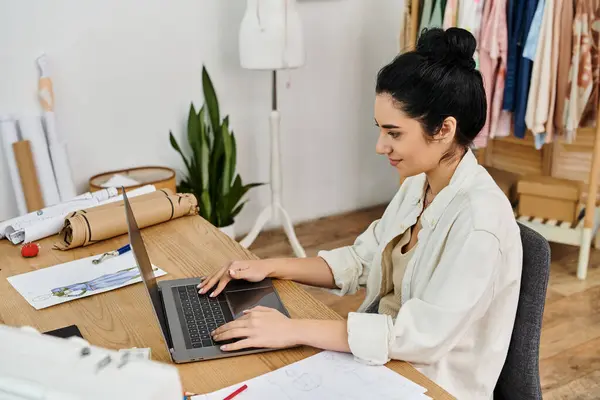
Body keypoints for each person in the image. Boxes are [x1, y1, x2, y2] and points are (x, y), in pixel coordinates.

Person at [201, 27, 522, 400]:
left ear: (444, 129)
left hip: (429, 384)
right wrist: (269, 266)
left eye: (394, 133)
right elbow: (360, 260)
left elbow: (417, 338)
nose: (380, 146)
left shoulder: (480, 224)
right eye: (380, 130)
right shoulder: (419, 186)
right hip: (381, 365)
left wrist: (294, 328)